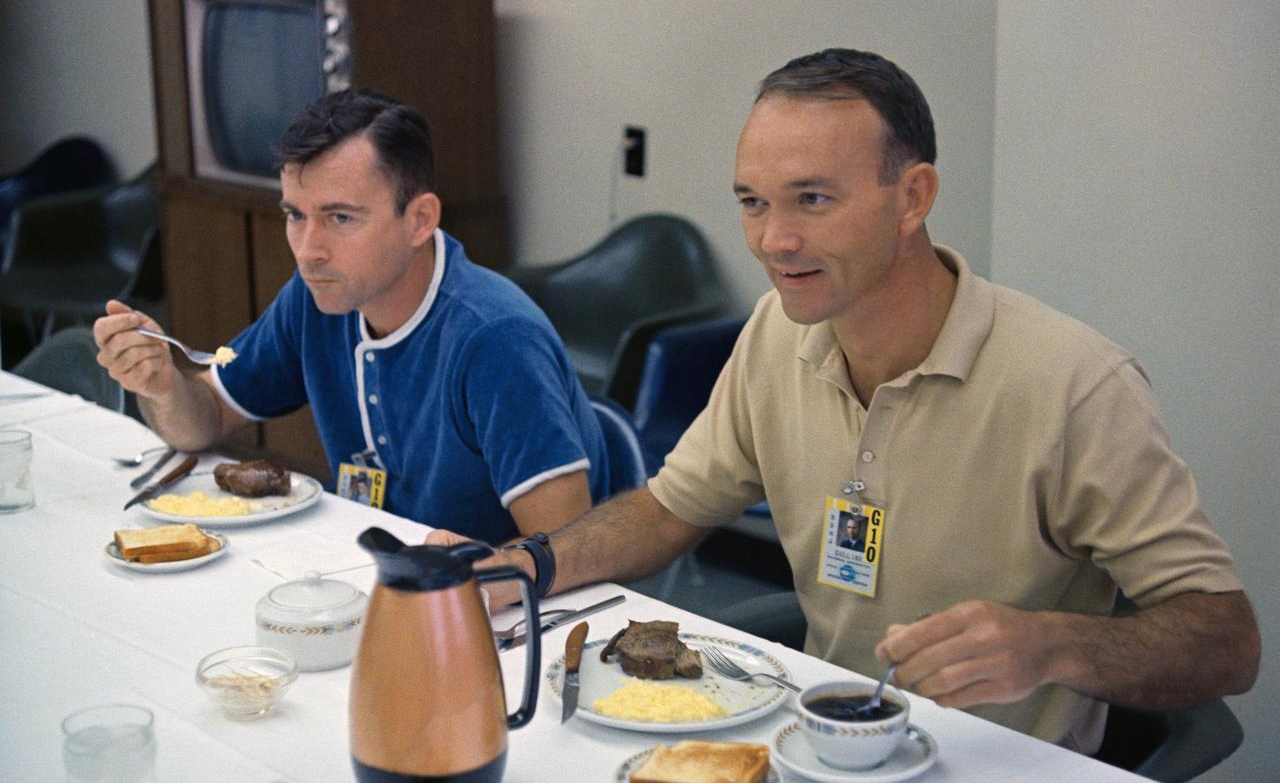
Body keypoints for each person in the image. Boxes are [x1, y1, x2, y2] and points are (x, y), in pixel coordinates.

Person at [432, 48, 1260, 752]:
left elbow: (1227, 641)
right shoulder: (776, 333)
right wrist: (534, 564)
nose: (771, 241)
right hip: (822, 749)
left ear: (913, 197)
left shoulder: (1075, 385)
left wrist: (1053, 646)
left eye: (811, 200)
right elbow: (668, 509)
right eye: (753, 202)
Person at [95, 88, 611, 545]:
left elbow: (562, 550)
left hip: (490, 614)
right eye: (296, 215)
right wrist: (162, 385)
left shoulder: (495, 340)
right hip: (375, 573)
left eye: (340, 218)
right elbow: (204, 420)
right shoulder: (317, 297)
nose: (308, 250)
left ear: (419, 220)